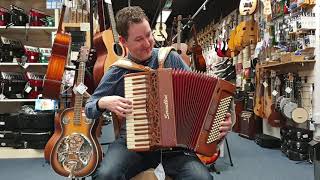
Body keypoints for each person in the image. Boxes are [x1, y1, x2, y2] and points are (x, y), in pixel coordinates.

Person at [85, 6, 232, 180]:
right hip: (133, 146)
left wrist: (221, 121)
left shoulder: (170, 58)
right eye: (139, 39)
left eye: (148, 34)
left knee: (201, 177)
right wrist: (103, 102)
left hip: (175, 149)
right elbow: (89, 108)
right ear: (124, 42)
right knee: (105, 175)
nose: (147, 43)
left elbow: (203, 99)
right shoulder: (118, 71)